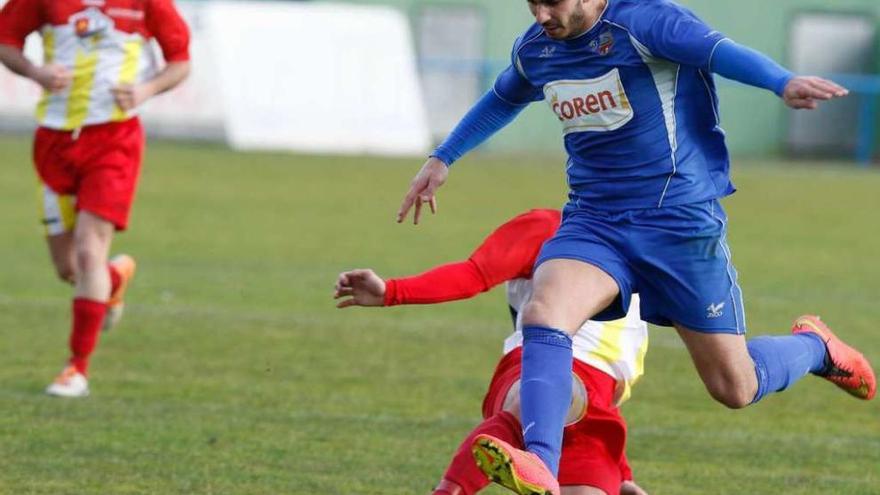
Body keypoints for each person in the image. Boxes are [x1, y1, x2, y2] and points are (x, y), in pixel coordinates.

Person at [395, 1, 876, 493]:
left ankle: (815, 347)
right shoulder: (537, 48)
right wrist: (443, 158)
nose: (541, 15)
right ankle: (538, 462)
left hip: (679, 224)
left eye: (552, 2)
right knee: (544, 313)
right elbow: (503, 97)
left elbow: (718, 52)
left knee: (735, 387)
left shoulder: (646, 22)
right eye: (532, 3)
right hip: (594, 220)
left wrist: (781, 81)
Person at [336, 208, 650, 495]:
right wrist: (392, 291)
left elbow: (612, 372)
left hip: (598, 412)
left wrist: (621, 470)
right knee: (552, 396)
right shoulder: (547, 227)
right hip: (539, 368)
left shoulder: (650, 248)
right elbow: (474, 274)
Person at [0, 0, 191, 397]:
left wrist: (145, 89)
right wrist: (36, 71)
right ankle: (115, 277)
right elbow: (5, 40)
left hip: (114, 140)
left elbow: (180, 60)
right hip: (54, 140)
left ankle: (75, 369)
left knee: (89, 252)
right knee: (70, 268)